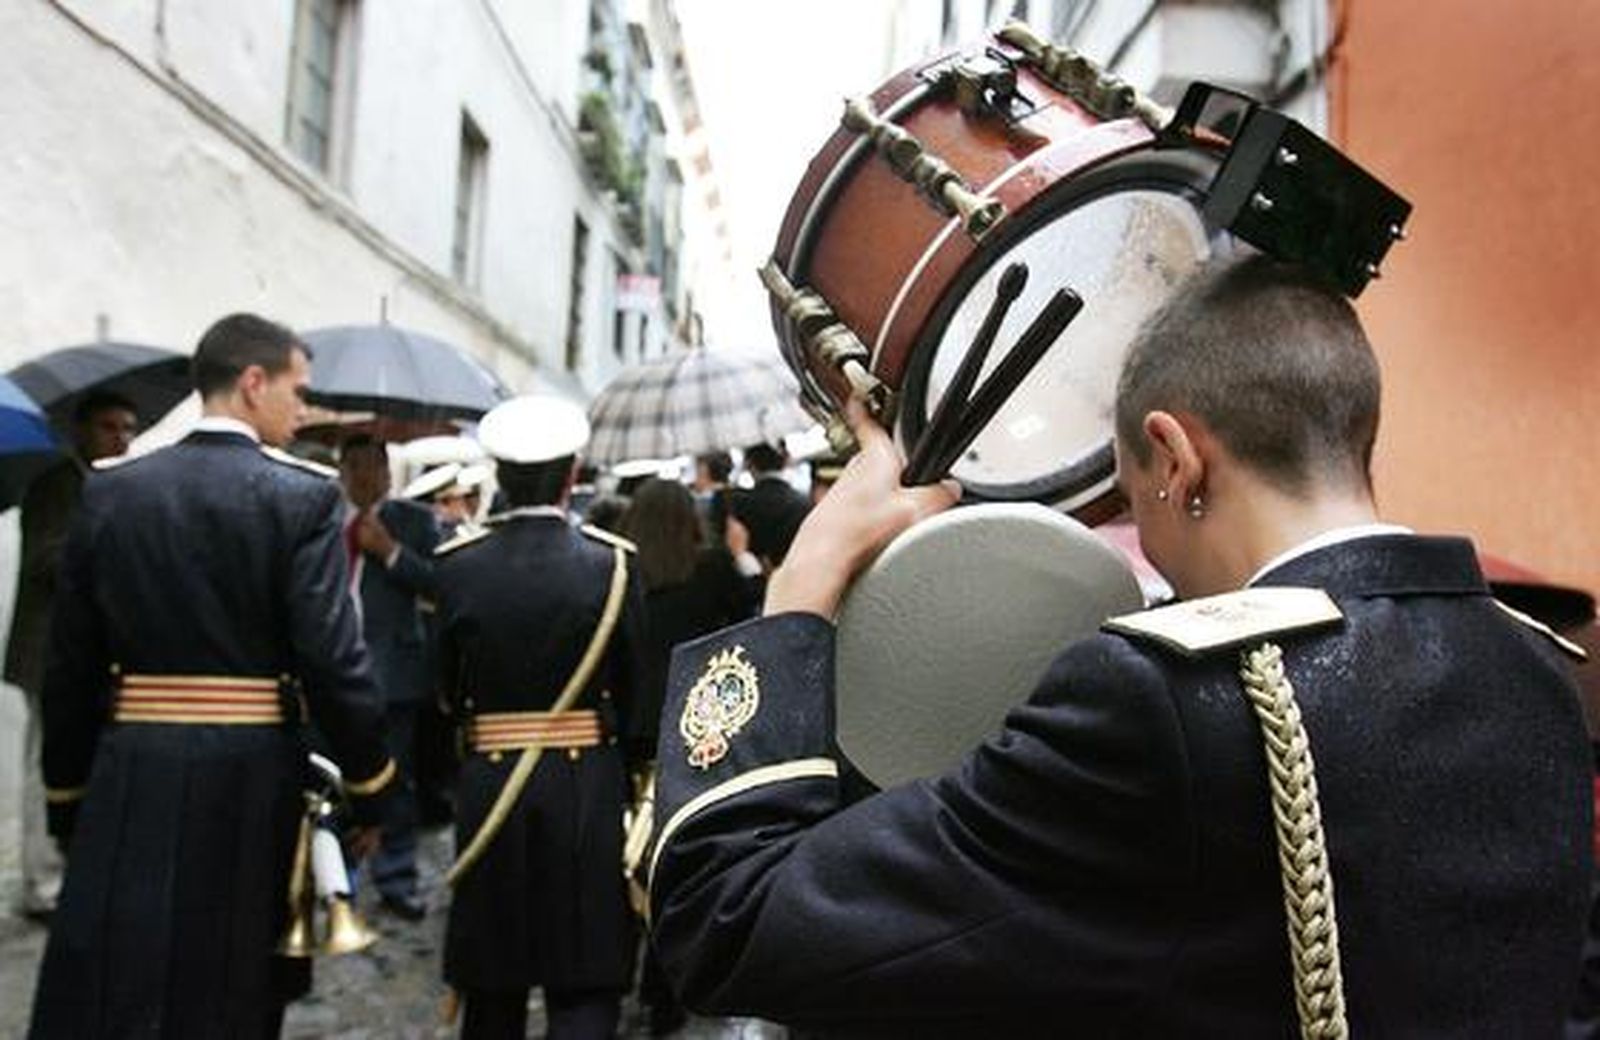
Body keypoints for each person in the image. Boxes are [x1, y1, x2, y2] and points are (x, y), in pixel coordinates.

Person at [645, 256, 1592, 1036]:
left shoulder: (1162, 702)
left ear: (1175, 460)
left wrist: (800, 587)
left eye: (1135, 494)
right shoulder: (1535, 665)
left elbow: (732, 918)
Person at [30, 313, 396, 1038]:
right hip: (251, 774)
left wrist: (67, 800)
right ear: (253, 383)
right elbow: (332, 657)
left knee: (122, 982)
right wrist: (371, 785)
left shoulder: (113, 492)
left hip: (132, 771)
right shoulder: (303, 497)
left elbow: (68, 665)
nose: (305, 408)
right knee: (230, 989)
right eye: (299, 389)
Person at [435, 394, 651, 1039]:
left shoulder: (458, 567)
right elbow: (637, 693)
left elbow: (444, 690)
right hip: (587, 787)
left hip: (489, 785)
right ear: (573, 472)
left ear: (498, 474)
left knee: (493, 979)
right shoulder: (611, 563)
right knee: (584, 973)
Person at [620, 477, 760, 1035]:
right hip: (697, 733)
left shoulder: (623, 570)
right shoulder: (712, 569)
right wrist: (743, 555)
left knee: (632, 858)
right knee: (681, 863)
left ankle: (629, 971)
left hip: (632, 735)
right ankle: (668, 983)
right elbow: (753, 619)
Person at [4, 391, 138, 921]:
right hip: (45, 650)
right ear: (83, 430)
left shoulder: (102, 485)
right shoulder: (60, 483)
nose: (121, 438)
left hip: (83, 651)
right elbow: (46, 561)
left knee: (76, 759)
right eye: (110, 427)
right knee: (44, 765)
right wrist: (105, 542)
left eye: (128, 428)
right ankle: (41, 883)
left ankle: (69, 867)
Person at [339, 434, 441, 920]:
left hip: (393, 673)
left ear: (386, 471)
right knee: (333, 778)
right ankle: (335, 877)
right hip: (333, 669)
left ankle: (397, 876)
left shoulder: (414, 520)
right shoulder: (321, 519)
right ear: (341, 471)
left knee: (395, 778)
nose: (363, 475)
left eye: (372, 465)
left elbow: (440, 585)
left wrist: (391, 552)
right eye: (354, 465)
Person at [729, 442, 809, 570]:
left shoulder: (739, 503)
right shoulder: (804, 502)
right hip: (795, 573)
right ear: (786, 461)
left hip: (752, 579)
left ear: (750, 465)